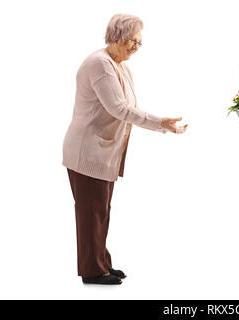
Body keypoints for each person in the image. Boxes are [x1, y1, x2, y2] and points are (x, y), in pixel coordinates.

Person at [62, 13, 188, 285]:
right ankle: (93, 271)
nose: (135, 47)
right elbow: (119, 109)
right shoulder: (100, 64)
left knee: (100, 211)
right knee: (91, 212)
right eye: (133, 40)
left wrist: (160, 124)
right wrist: (160, 123)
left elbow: (127, 107)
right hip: (87, 150)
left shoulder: (121, 67)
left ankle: (101, 263)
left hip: (104, 151)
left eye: (139, 43)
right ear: (117, 34)